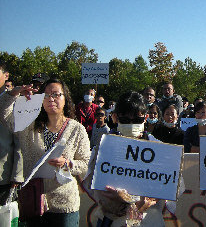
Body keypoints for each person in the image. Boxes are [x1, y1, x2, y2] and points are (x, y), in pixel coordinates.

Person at [0, 78, 90, 226]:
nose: (51, 99)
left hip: (64, 205)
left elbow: (85, 164)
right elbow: (4, 116)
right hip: (34, 202)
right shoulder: (28, 126)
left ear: (65, 98)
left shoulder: (77, 129)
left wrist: (68, 163)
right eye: (46, 95)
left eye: (56, 94)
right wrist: (13, 93)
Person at [83, 91, 165, 226]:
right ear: (115, 117)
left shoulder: (159, 148)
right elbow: (92, 182)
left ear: (145, 118)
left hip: (148, 218)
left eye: (137, 120)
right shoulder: (103, 148)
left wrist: (150, 199)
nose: (132, 124)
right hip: (112, 218)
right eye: (126, 120)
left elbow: (169, 184)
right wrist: (115, 199)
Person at [0, 62, 23, 206]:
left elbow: (19, 140)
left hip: (3, 175)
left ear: (6, 75)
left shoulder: (14, 103)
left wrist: (17, 174)